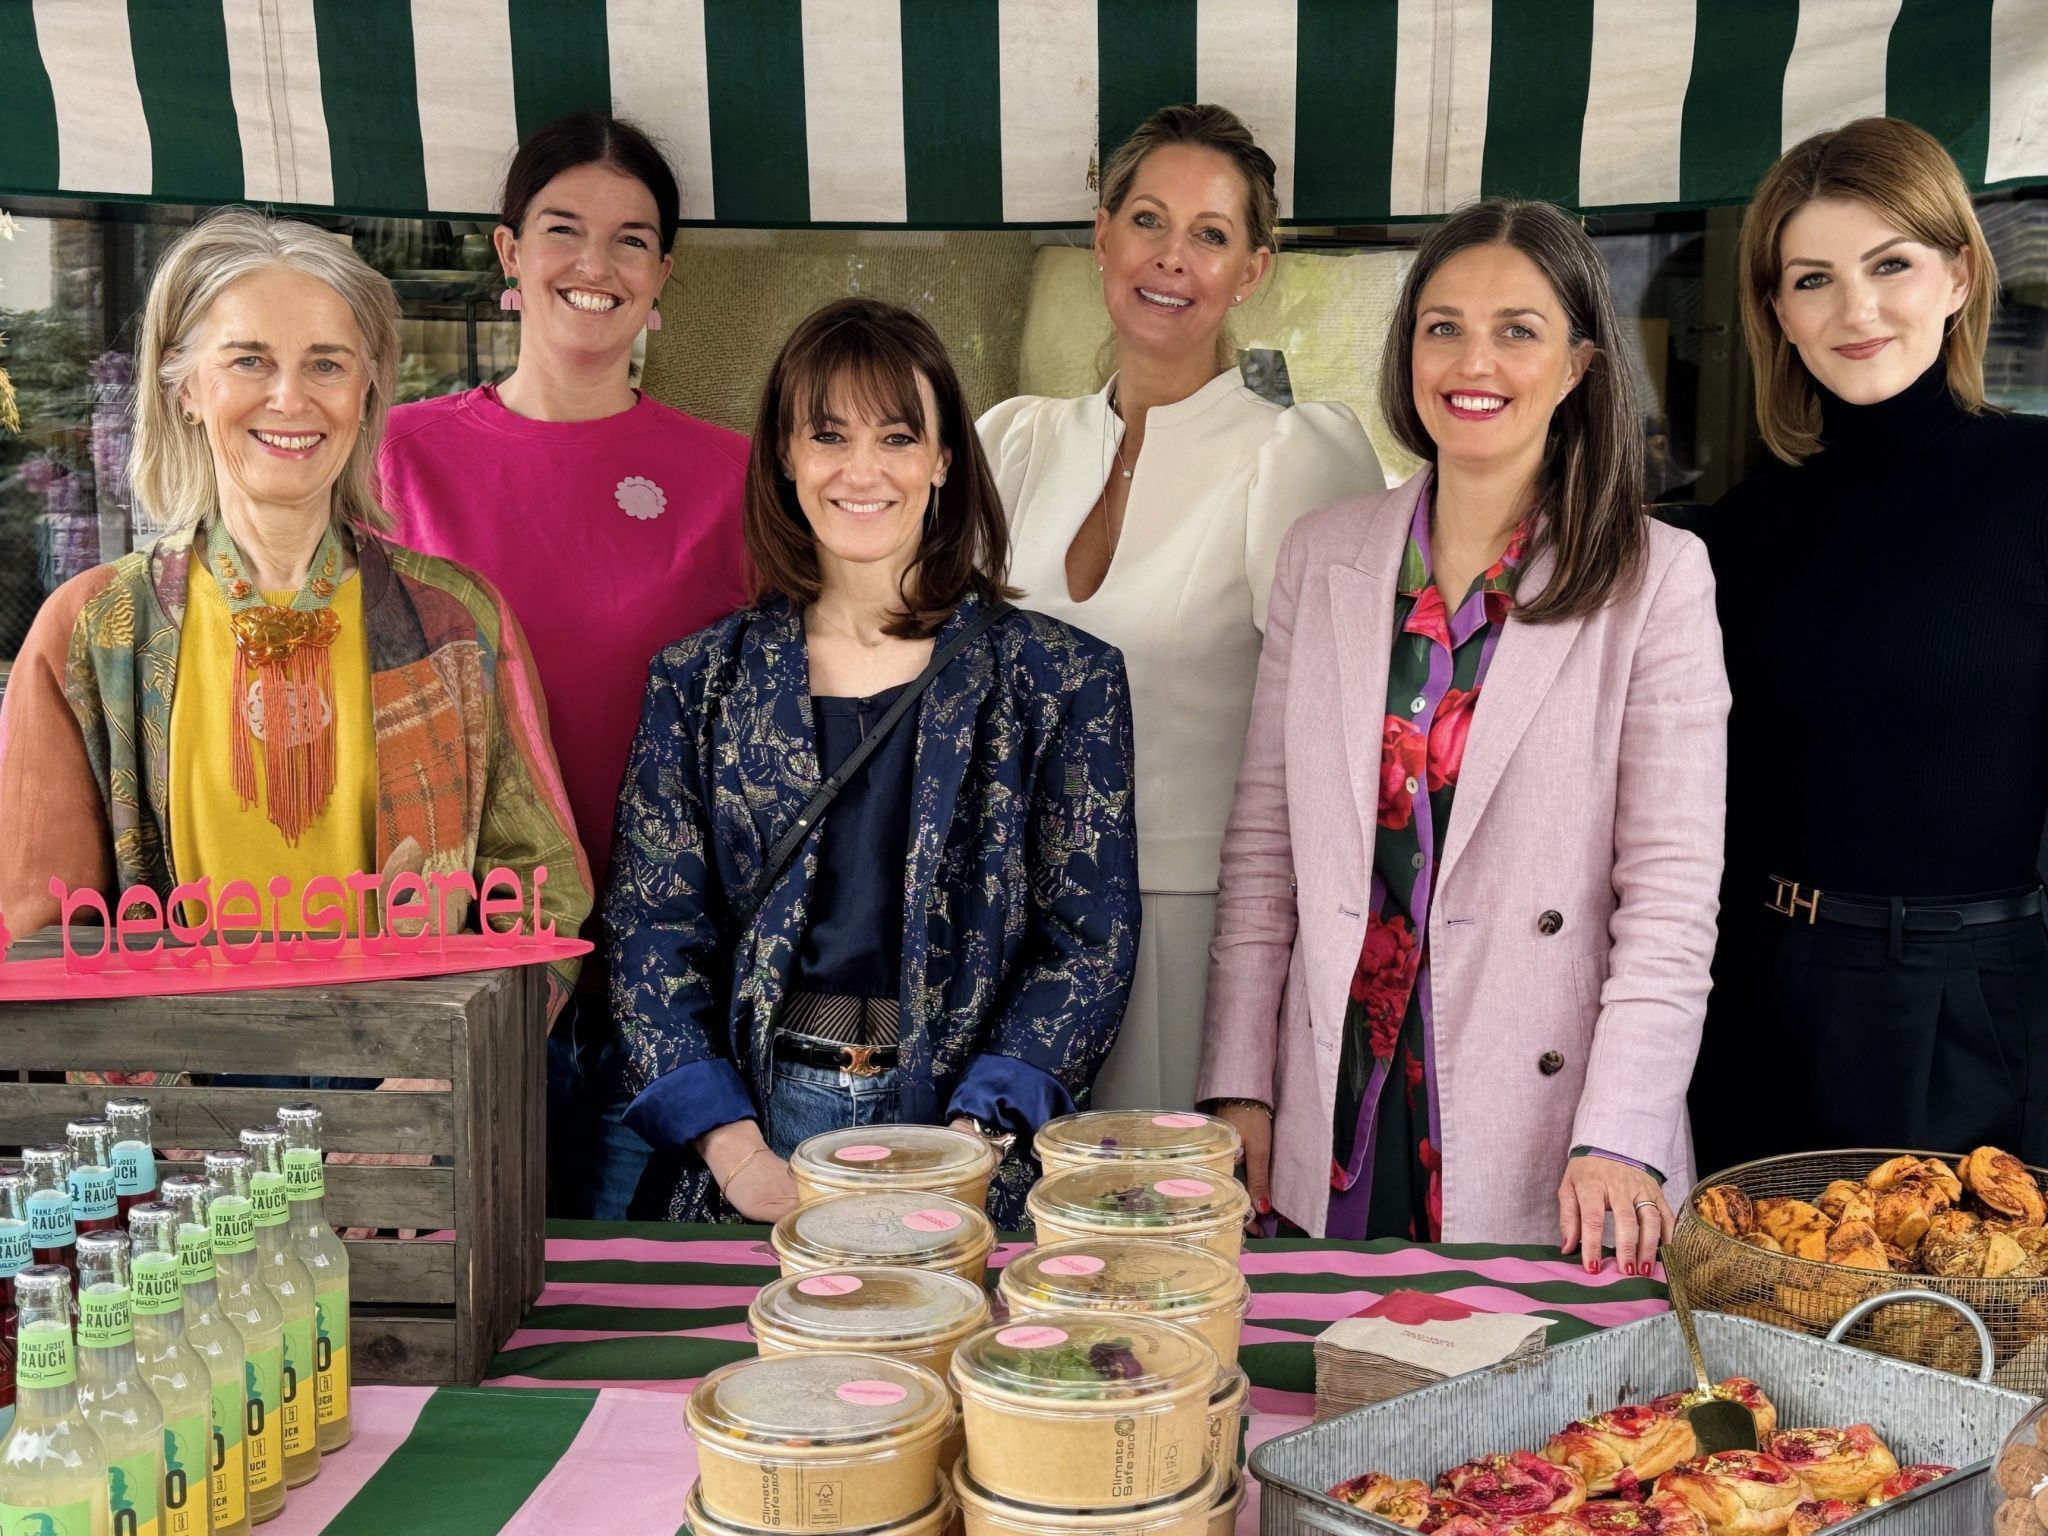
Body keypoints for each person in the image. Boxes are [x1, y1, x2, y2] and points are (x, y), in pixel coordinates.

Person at [1198, 200, 1728, 1268]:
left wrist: (1620, 1131)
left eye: (1515, 330)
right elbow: (1263, 852)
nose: (1470, 360)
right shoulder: (1325, 555)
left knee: (1521, 1424)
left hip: (1549, 1125)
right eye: (1441, 327)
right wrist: (1238, 1082)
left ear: (1578, 365)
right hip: (1334, 1088)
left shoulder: (1653, 576)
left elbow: (1668, 900)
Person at [607, 297, 1139, 1227]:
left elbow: (1088, 941)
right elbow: (650, 932)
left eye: (897, 437)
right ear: (783, 454)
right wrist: (735, 1156)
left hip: (974, 1132)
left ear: (942, 461)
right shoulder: (698, 684)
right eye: (828, 436)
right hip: (760, 1130)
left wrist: (976, 1143)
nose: (863, 470)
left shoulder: (1059, 680)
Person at [0, 208, 590, 1009]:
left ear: (368, 386)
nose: (289, 397)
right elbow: (34, 931)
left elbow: (543, 898)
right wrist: (165, 1126)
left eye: (326, 364)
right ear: (185, 388)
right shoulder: (94, 630)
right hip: (180, 1099)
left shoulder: (454, 618)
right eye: (248, 360)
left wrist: (423, 1087)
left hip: (416, 1089)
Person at [380, 112, 750, 1217]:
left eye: (631, 240)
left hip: (667, 975)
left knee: (631, 1304)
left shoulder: (728, 474)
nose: (595, 265)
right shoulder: (399, 453)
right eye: (562, 230)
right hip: (466, 959)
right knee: (462, 1280)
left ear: (663, 274)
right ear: (507, 251)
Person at [978, 103, 1382, 1113]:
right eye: (1148, 220)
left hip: (1191, 927)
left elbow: (1340, 737)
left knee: (1153, 1240)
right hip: (1006, 922)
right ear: (1100, 235)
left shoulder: (1296, 455)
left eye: (1210, 234)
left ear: (1250, 270)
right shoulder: (1015, 442)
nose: (1171, 257)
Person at [1692, 117, 2048, 1172]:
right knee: (1741, 1330)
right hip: (1753, 994)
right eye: (1810, 278)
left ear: (1956, 273)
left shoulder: (2035, 488)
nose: (1854, 309)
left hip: (1974, 1009)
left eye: (1887, 263)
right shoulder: (1723, 537)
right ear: (1774, 311)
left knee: (1958, 1333)